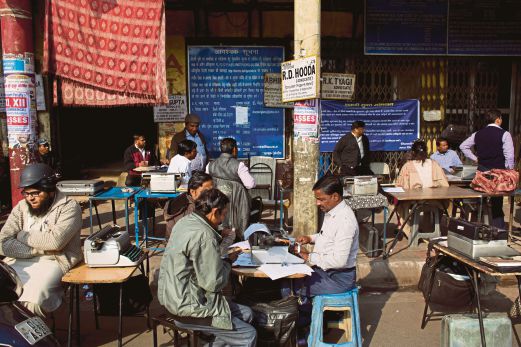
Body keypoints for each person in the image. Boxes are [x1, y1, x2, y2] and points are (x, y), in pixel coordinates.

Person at [158, 188, 257, 347]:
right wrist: (228, 262)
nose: (223, 220)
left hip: (173, 297)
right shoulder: (205, 235)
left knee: (247, 313)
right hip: (189, 307)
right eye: (224, 214)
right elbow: (214, 283)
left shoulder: (186, 221)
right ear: (215, 212)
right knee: (249, 335)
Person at [0, 163, 82, 317]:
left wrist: (22, 235)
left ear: (50, 191)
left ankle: (34, 337)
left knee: (34, 299)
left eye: (36, 193)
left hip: (55, 260)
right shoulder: (21, 207)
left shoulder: (69, 207)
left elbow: (55, 242)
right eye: (26, 193)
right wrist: (34, 249)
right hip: (18, 259)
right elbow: (3, 242)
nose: (30, 198)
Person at [284, 175, 359, 298]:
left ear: (335, 197)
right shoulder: (333, 212)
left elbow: (339, 261)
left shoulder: (345, 221)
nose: (317, 203)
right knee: (289, 277)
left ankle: (306, 316)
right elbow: (328, 237)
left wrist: (309, 256)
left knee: (288, 287)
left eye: (321, 199)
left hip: (338, 279)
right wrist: (310, 238)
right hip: (326, 272)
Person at [460, 109, 515, 228]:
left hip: (482, 173)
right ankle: (498, 230)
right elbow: (509, 156)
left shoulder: (478, 133)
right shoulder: (505, 134)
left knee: (481, 202)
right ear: (498, 119)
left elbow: (463, 146)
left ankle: (478, 229)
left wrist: (475, 158)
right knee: (497, 203)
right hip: (498, 174)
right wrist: (509, 171)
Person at [396, 140, 449, 235]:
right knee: (445, 202)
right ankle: (432, 227)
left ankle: (409, 231)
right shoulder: (434, 164)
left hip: (414, 200)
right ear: (427, 151)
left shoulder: (408, 165)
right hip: (434, 200)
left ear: (413, 153)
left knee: (400, 204)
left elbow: (400, 185)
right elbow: (444, 183)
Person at [207, 138, 255, 238]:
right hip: (237, 200)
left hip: (217, 199)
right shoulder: (239, 165)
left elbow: (207, 182)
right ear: (234, 150)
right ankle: (239, 239)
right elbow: (250, 184)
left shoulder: (210, 165)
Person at [163, 171, 213, 239]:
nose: (211, 194)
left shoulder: (191, 200)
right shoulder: (188, 210)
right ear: (193, 192)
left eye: (212, 190)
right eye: (207, 191)